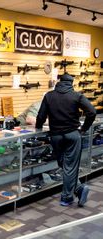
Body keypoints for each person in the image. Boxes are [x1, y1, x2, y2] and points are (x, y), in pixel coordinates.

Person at [36, 73, 96, 207]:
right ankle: (71, 194)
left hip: (56, 136)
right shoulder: (76, 96)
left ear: (59, 81)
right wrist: (84, 128)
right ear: (71, 83)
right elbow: (92, 112)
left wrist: (38, 130)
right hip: (72, 135)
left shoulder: (49, 96)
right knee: (69, 166)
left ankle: (74, 191)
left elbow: (40, 116)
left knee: (64, 164)